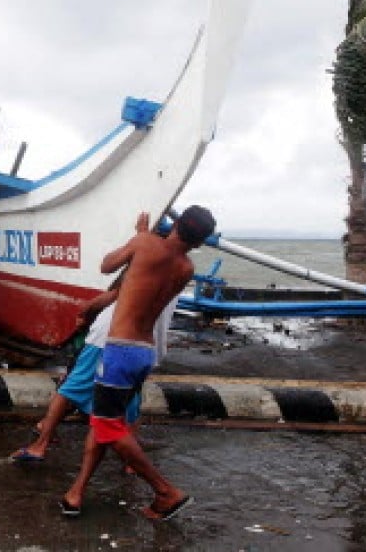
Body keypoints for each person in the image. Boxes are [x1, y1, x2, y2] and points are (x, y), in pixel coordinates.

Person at [60, 205, 215, 521]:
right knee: (106, 422)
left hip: (119, 350)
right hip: (145, 353)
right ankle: (76, 492)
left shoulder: (145, 243)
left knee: (106, 425)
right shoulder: (186, 268)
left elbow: (106, 267)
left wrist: (139, 235)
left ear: (175, 223)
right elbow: (156, 268)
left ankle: (165, 491)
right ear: (199, 243)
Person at [10, 288, 176, 463]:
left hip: (112, 336)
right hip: (143, 343)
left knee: (72, 387)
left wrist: (86, 311)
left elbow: (115, 290)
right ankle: (131, 459)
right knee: (130, 396)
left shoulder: (147, 263)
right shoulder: (181, 268)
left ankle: (41, 443)